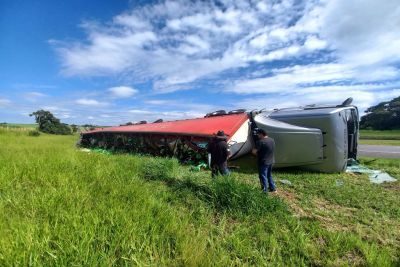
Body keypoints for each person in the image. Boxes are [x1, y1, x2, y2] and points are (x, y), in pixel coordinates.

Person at [252, 128, 277, 193]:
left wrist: (255, 151)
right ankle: (273, 188)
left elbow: (254, 152)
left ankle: (264, 191)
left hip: (263, 162)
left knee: (263, 176)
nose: (257, 136)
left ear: (261, 134)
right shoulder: (272, 140)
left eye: (258, 134)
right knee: (269, 175)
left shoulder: (260, 142)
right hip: (271, 161)